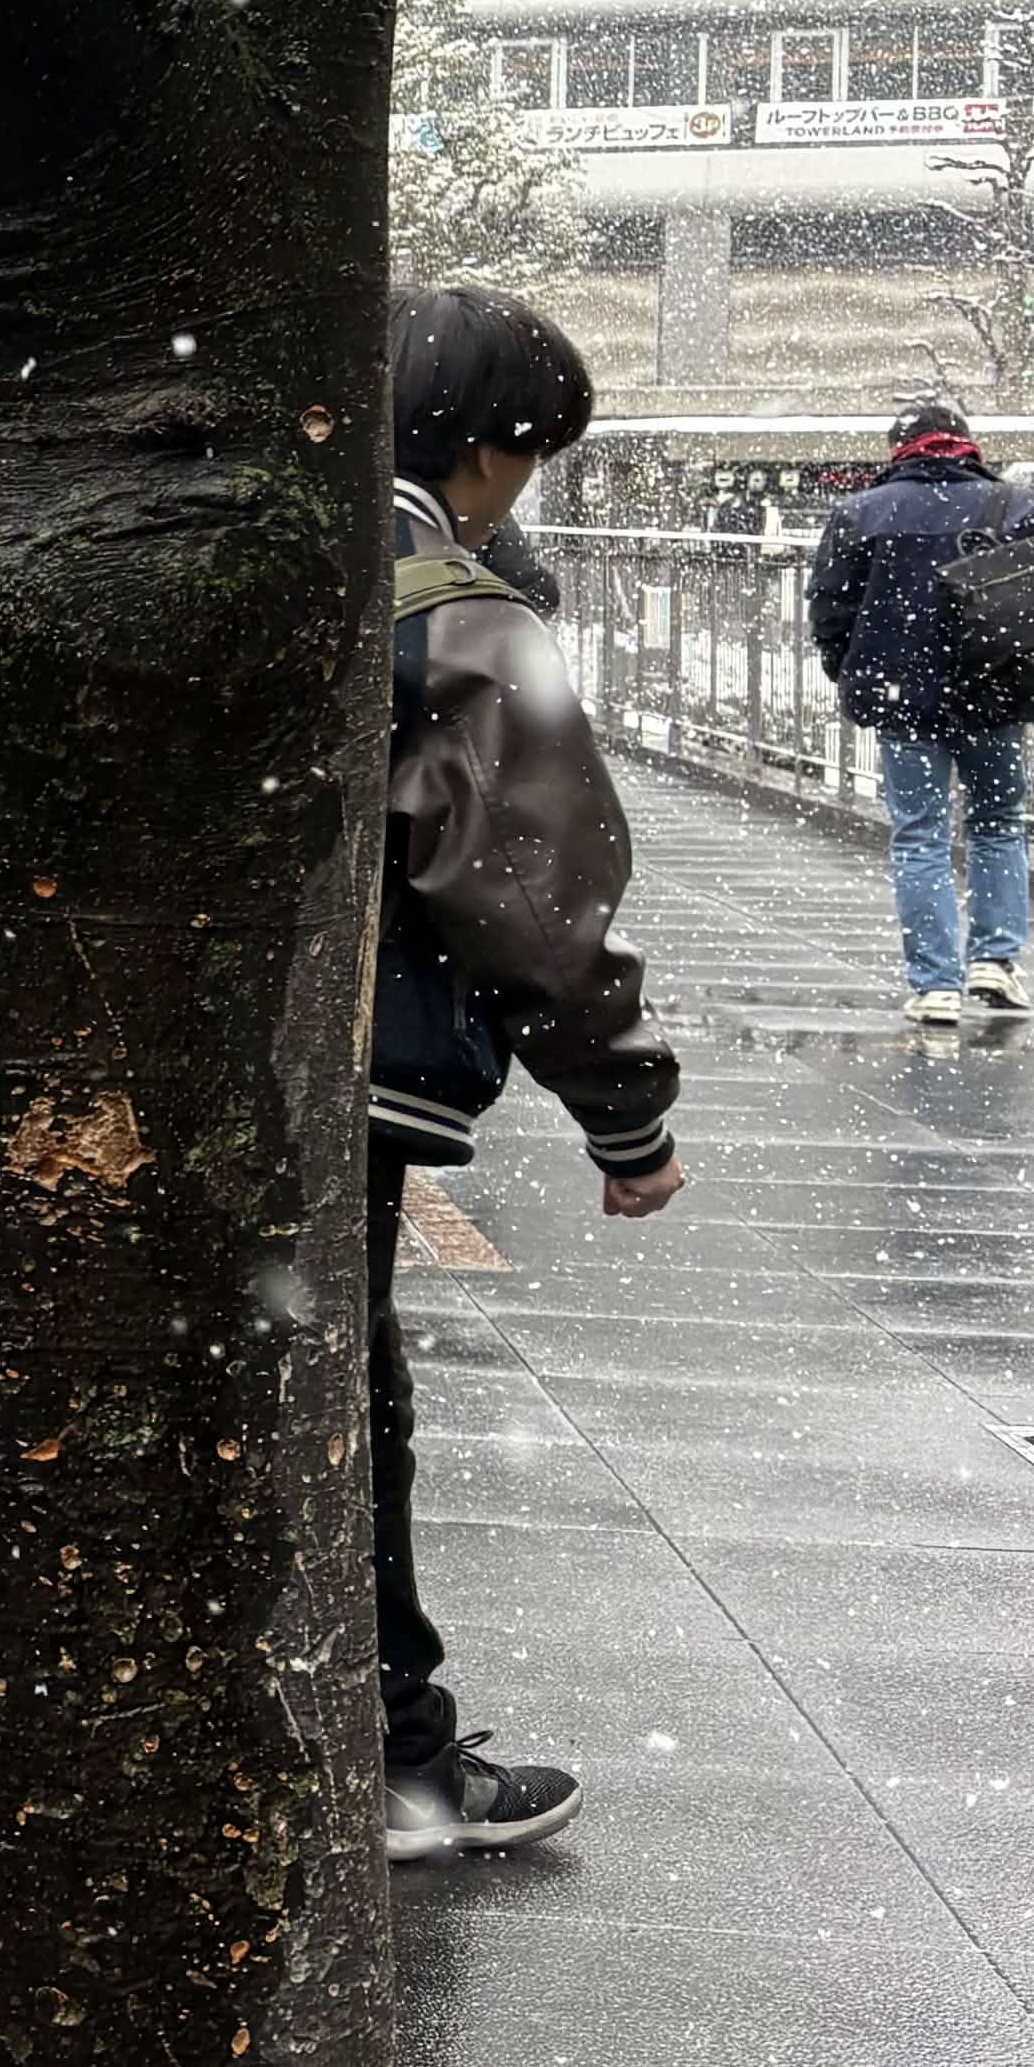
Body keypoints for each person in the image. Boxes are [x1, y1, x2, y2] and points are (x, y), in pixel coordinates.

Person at [378, 286, 686, 1860]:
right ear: (490, 449)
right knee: (344, 1403)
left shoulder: (243, 552)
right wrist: (627, 1113)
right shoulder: (462, 611)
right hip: (344, 1076)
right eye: (529, 453)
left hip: (136, 1059)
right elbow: (542, 902)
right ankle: (392, 1758)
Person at [809, 389, 1034, 1027]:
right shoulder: (1020, 509)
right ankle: (995, 960)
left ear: (899, 451)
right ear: (967, 445)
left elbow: (831, 610)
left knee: (921, 835)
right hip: (994, 694)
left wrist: (852, 670)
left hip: (902, 697)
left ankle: (936, 984)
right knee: (998, 821)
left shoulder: (861, 513)